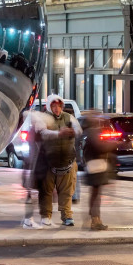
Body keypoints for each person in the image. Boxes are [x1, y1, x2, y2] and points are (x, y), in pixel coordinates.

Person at [34, 94, 82, 227]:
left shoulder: (69, 117)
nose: (56, 108)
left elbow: (78, 129)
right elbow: (43, 132)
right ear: (49, 106)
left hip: (67, 162)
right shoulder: (43, 118)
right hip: (48, 162)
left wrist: (73, 131)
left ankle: (67, 216)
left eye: (58, 105)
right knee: (46, 191)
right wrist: (59, 133)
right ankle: (46, 215)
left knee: (67, 192)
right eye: (53, 106)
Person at [82, 114, 117, 230]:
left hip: (94, 167)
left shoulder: (89, 133)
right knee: (96, 195)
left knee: (95, 194)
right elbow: (100, 147)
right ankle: (95, 220)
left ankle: (95, 218)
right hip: (96, 168)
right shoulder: (92, 133)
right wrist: (113, 144)